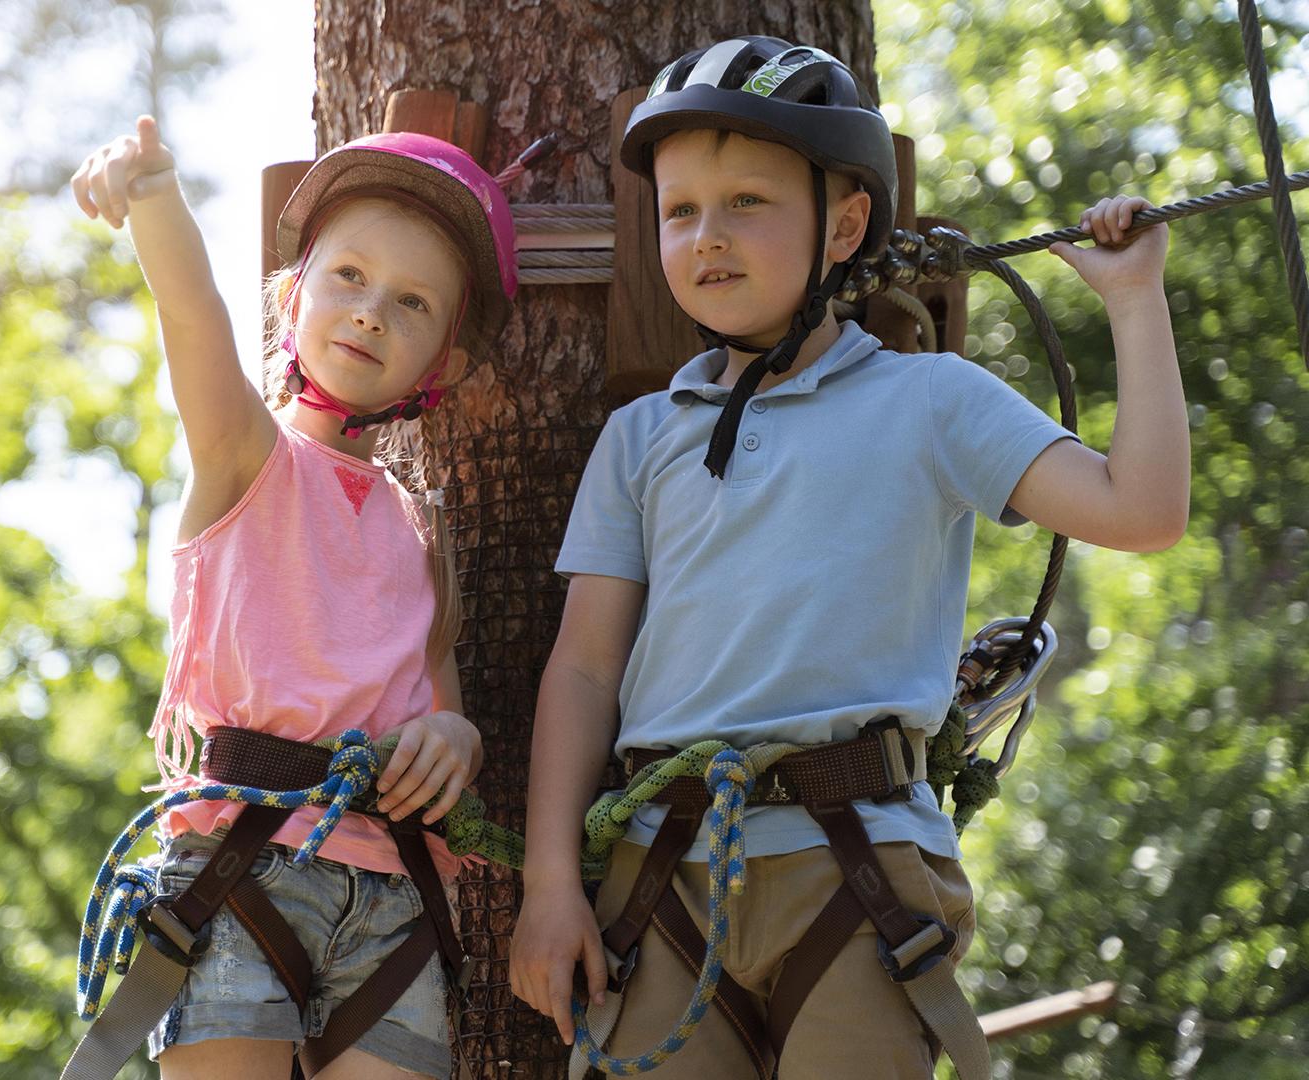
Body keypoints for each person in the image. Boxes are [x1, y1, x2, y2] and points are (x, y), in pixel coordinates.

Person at [507, 36, 1188, 1079]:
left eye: (748, 202)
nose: (708, 236)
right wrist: (552, 882)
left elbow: (1141, 510)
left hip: (860, 873)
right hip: (663, 879)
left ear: (848, 225)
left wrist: (1136, 303)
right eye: (681, 210)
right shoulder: (642, 437)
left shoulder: (930, 400)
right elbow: (587, 667)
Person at [68, 115, 519, 1080]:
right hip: (239, 868)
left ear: (442, 362)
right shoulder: (244, 455)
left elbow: (444, 705)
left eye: (411, 304)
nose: (369, 314)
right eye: (348, 277)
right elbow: (194, 317)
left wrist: (457, 741)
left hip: (392, 897)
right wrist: (154, 197)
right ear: (293, 292)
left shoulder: (421, 528)